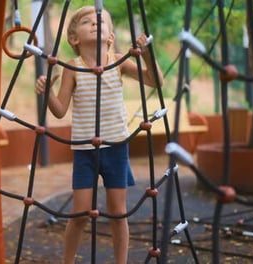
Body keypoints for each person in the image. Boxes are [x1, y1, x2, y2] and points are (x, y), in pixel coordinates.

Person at [35, 5, 163, 264]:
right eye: (86, 22)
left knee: (118, 212)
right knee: (80, 213)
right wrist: (48, 92)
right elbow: (59, 110)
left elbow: (155, 81)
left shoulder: (119, 63)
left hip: (116, 147)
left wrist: (148, 55)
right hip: (85, 151)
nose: (95, 23)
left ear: (111, 36)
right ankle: (67, 261)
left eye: (101, 20)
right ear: (74, 38)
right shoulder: (73, 67)